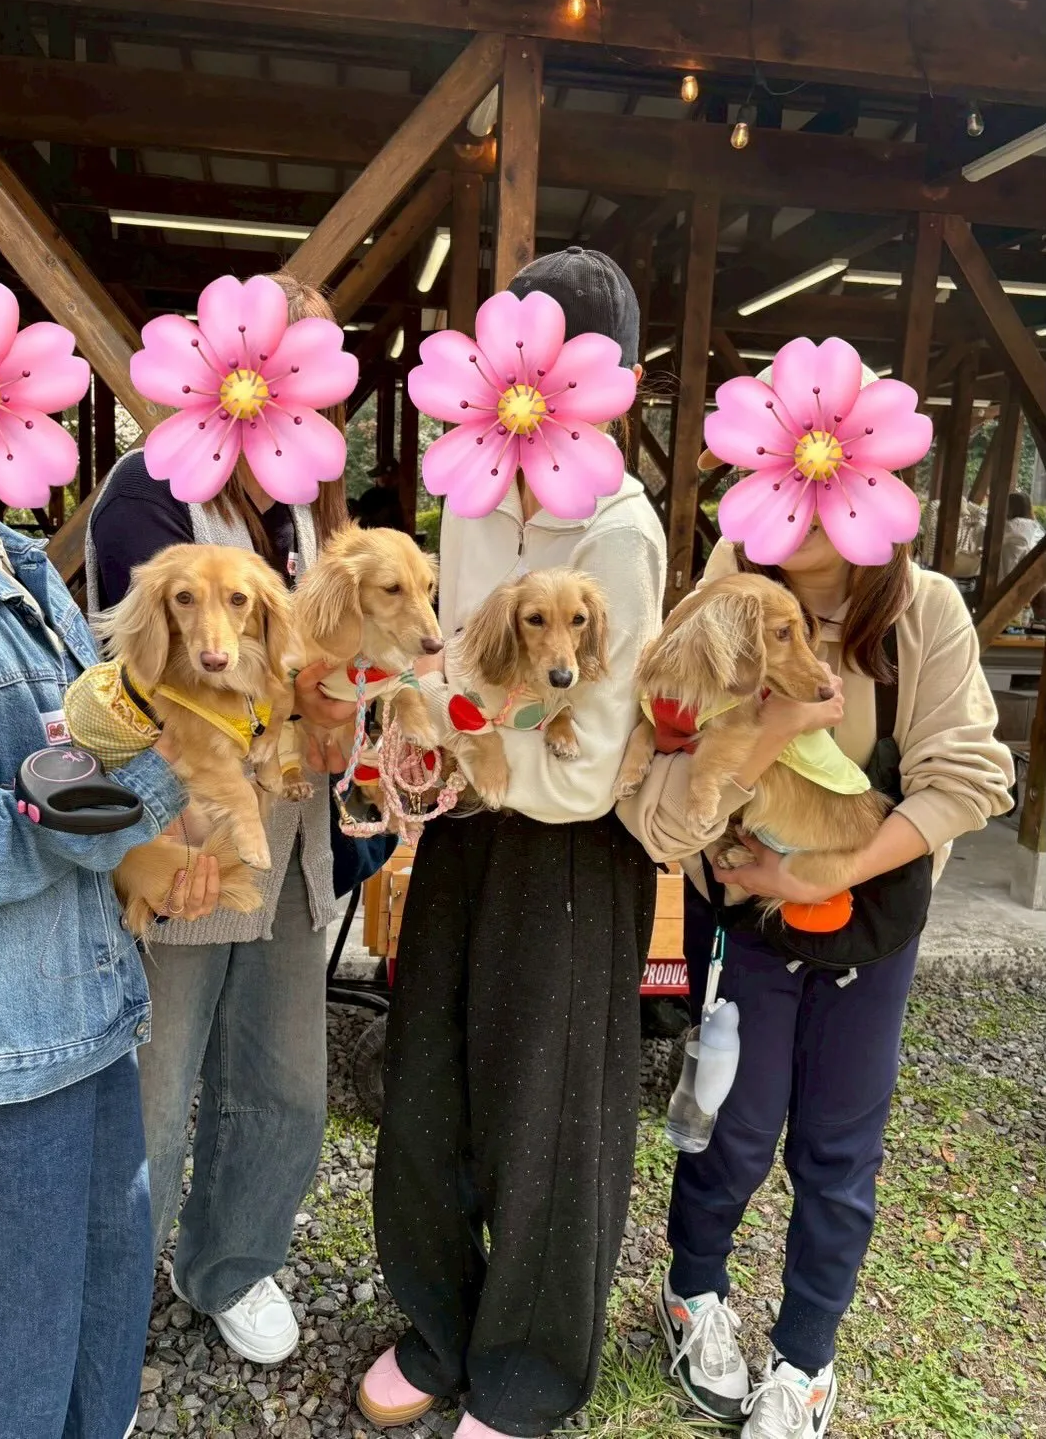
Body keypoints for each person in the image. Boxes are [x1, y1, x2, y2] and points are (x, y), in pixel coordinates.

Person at [619, 344, 1013, 1439]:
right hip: (742, 923)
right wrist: (761, 745)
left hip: (868, 927)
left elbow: (969, 777)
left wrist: (825, 871)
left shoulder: (923, 609)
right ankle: (692, 1291)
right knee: (729, 1129)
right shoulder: (723, 603)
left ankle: (804, 1358)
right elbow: (667, 799)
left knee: (837, 1147)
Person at [359, 247, 667, 1438]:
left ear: (609, 386)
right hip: (470, 829)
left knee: (549, 1107)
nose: (522, 396)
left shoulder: (623, 531)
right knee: (428, 1077)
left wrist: (479, 740)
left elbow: (590, 755)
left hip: (570, 847)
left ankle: (530, 1366)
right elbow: (449, 672)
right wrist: (428, 748)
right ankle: (438, 1322)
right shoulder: (472, 496)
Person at [0, 254, 218, 1439]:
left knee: (99, 1369)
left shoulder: (2, 545)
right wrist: (138, 801)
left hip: (92, 1023)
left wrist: (154, 787)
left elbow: (82, 738)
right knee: (0, 1396)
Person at [87, 272, 358, 1365]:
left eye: (309, 380)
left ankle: (230, 1262)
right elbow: (153, 682)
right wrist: (307, 682)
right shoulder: (146, 491)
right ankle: (108, 1317)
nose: (285, 397)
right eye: (271, 371)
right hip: (188, 826)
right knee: (153, 1093)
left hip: (295, 834)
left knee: (287, 1081)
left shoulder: (313, 496)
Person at [1000, 490, 1046, 621]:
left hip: (1011, 584)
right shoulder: (1035, 527)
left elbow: (981, 537)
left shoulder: (1015, 526)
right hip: (1029, 584)